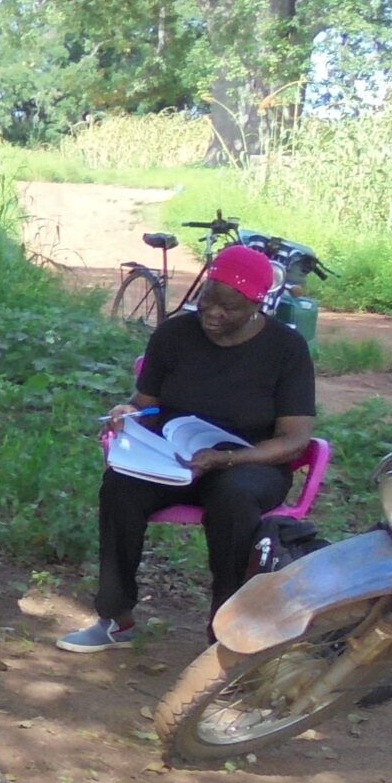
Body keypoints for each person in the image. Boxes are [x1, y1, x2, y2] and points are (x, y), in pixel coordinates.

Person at [60, 244, 317, 652]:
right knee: (120, 488)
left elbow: (294, 439)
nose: (213, 314)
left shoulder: (285, 350)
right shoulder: (176, 334)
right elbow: (145, 403)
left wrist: (227, 458)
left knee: (233, 502)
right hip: (175, 458)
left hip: (248, 462)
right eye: (207, 300)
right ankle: (116, 617)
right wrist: (125, 411)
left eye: (228, 308)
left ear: (256, 305)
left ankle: (225, 633)